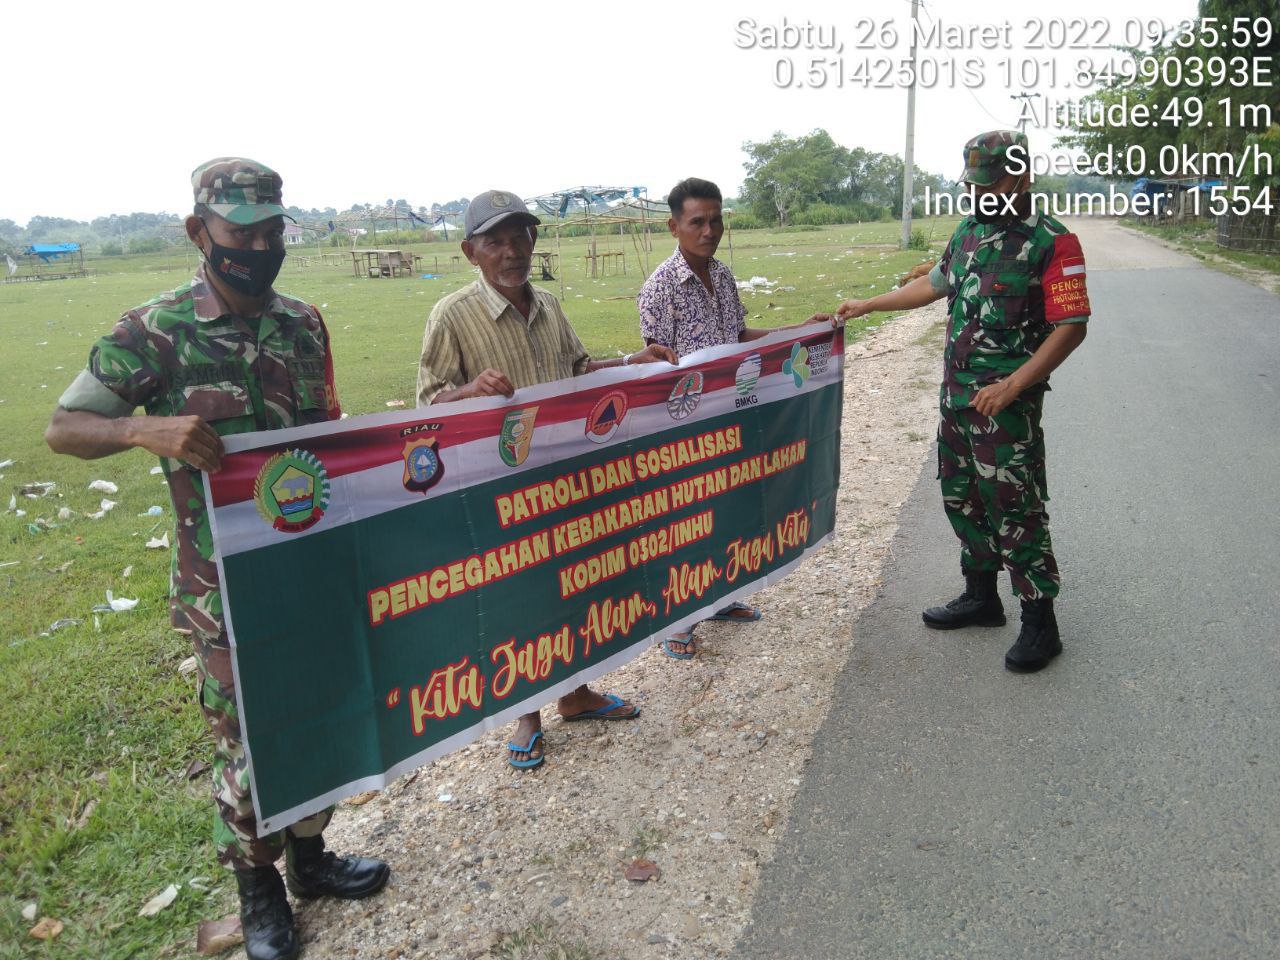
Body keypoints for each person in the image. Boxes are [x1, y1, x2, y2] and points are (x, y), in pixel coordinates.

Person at [45, 158, 389, 960]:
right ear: (199, 231)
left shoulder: (305, 322)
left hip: (309, 563)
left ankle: (311, 858)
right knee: (246, 739)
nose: (260, 245)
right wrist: (141, 429)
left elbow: (326, 430)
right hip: (222, 586)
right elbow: (63, 427)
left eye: (272, 230)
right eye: (241, 231)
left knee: (325, 711)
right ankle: (258, 889)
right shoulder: (152, 330)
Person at [417, 188, 677, 769]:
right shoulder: (453, 315)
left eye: (521, 237)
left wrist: (633, 364)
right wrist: (468, 393)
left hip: (563, 476)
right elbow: (427, 405)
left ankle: (575, 693)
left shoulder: (550, 306)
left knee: (574, 583)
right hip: (499, 490)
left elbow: (579, 370)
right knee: (519, 592)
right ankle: (526, 713)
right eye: (496, 241)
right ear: (471, 251)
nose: (512, 251)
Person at [836, 131, 1090, 673]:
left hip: (1006, 408)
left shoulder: (1052, 241)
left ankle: (1041, 623)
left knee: (1015, 510)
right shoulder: (969, 232)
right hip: (956, 401)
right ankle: (982, 597)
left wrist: (1015, 384)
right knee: (963, 497)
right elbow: (930, 286)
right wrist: (867, 305)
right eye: (972, 183)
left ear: (1019, 177)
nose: (977, 193)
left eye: (988, 182)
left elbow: (1072, 327)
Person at [637, 177, 830, 659]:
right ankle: (678, 620)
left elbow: (739, 332)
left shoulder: (721, 275)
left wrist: (794, 333)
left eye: (716, 220)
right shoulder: (660, 288)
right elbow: (658, 364)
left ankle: (718, 595)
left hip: (735, 414)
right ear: (674, 226)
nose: (709, 230)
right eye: (697, 221)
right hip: (686, 425)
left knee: (727, 511)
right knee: (688, 520)